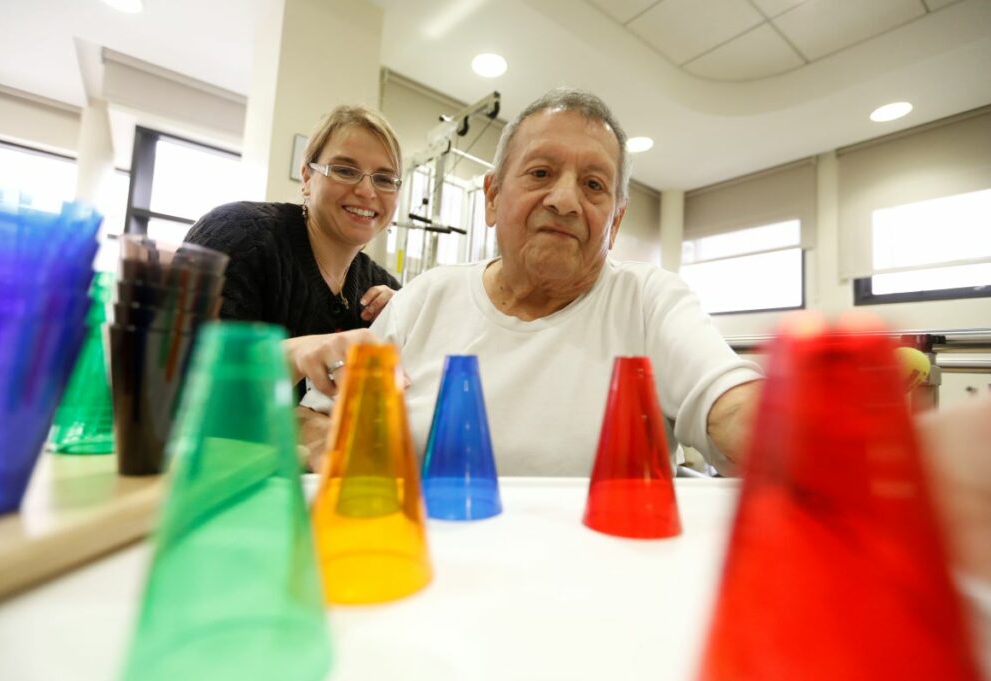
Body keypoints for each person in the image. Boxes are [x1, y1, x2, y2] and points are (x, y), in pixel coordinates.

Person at [298, 88, 763, 476]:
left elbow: (732, 406)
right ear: (493, 196)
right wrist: (338, 454)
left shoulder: (648, 301)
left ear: (615, 220)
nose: (564, 201)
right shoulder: (424, 298)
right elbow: (312, 416)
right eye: (540, 173)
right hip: (428, 565)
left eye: (594, 185)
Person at [184, 105, 403, 383]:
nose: (366, 191)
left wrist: (405, 321)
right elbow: (186, 368)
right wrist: (296, 356)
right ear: (307, 177)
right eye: (345, 171)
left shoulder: (384, 293)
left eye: (384, 179)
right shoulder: (236, 235)